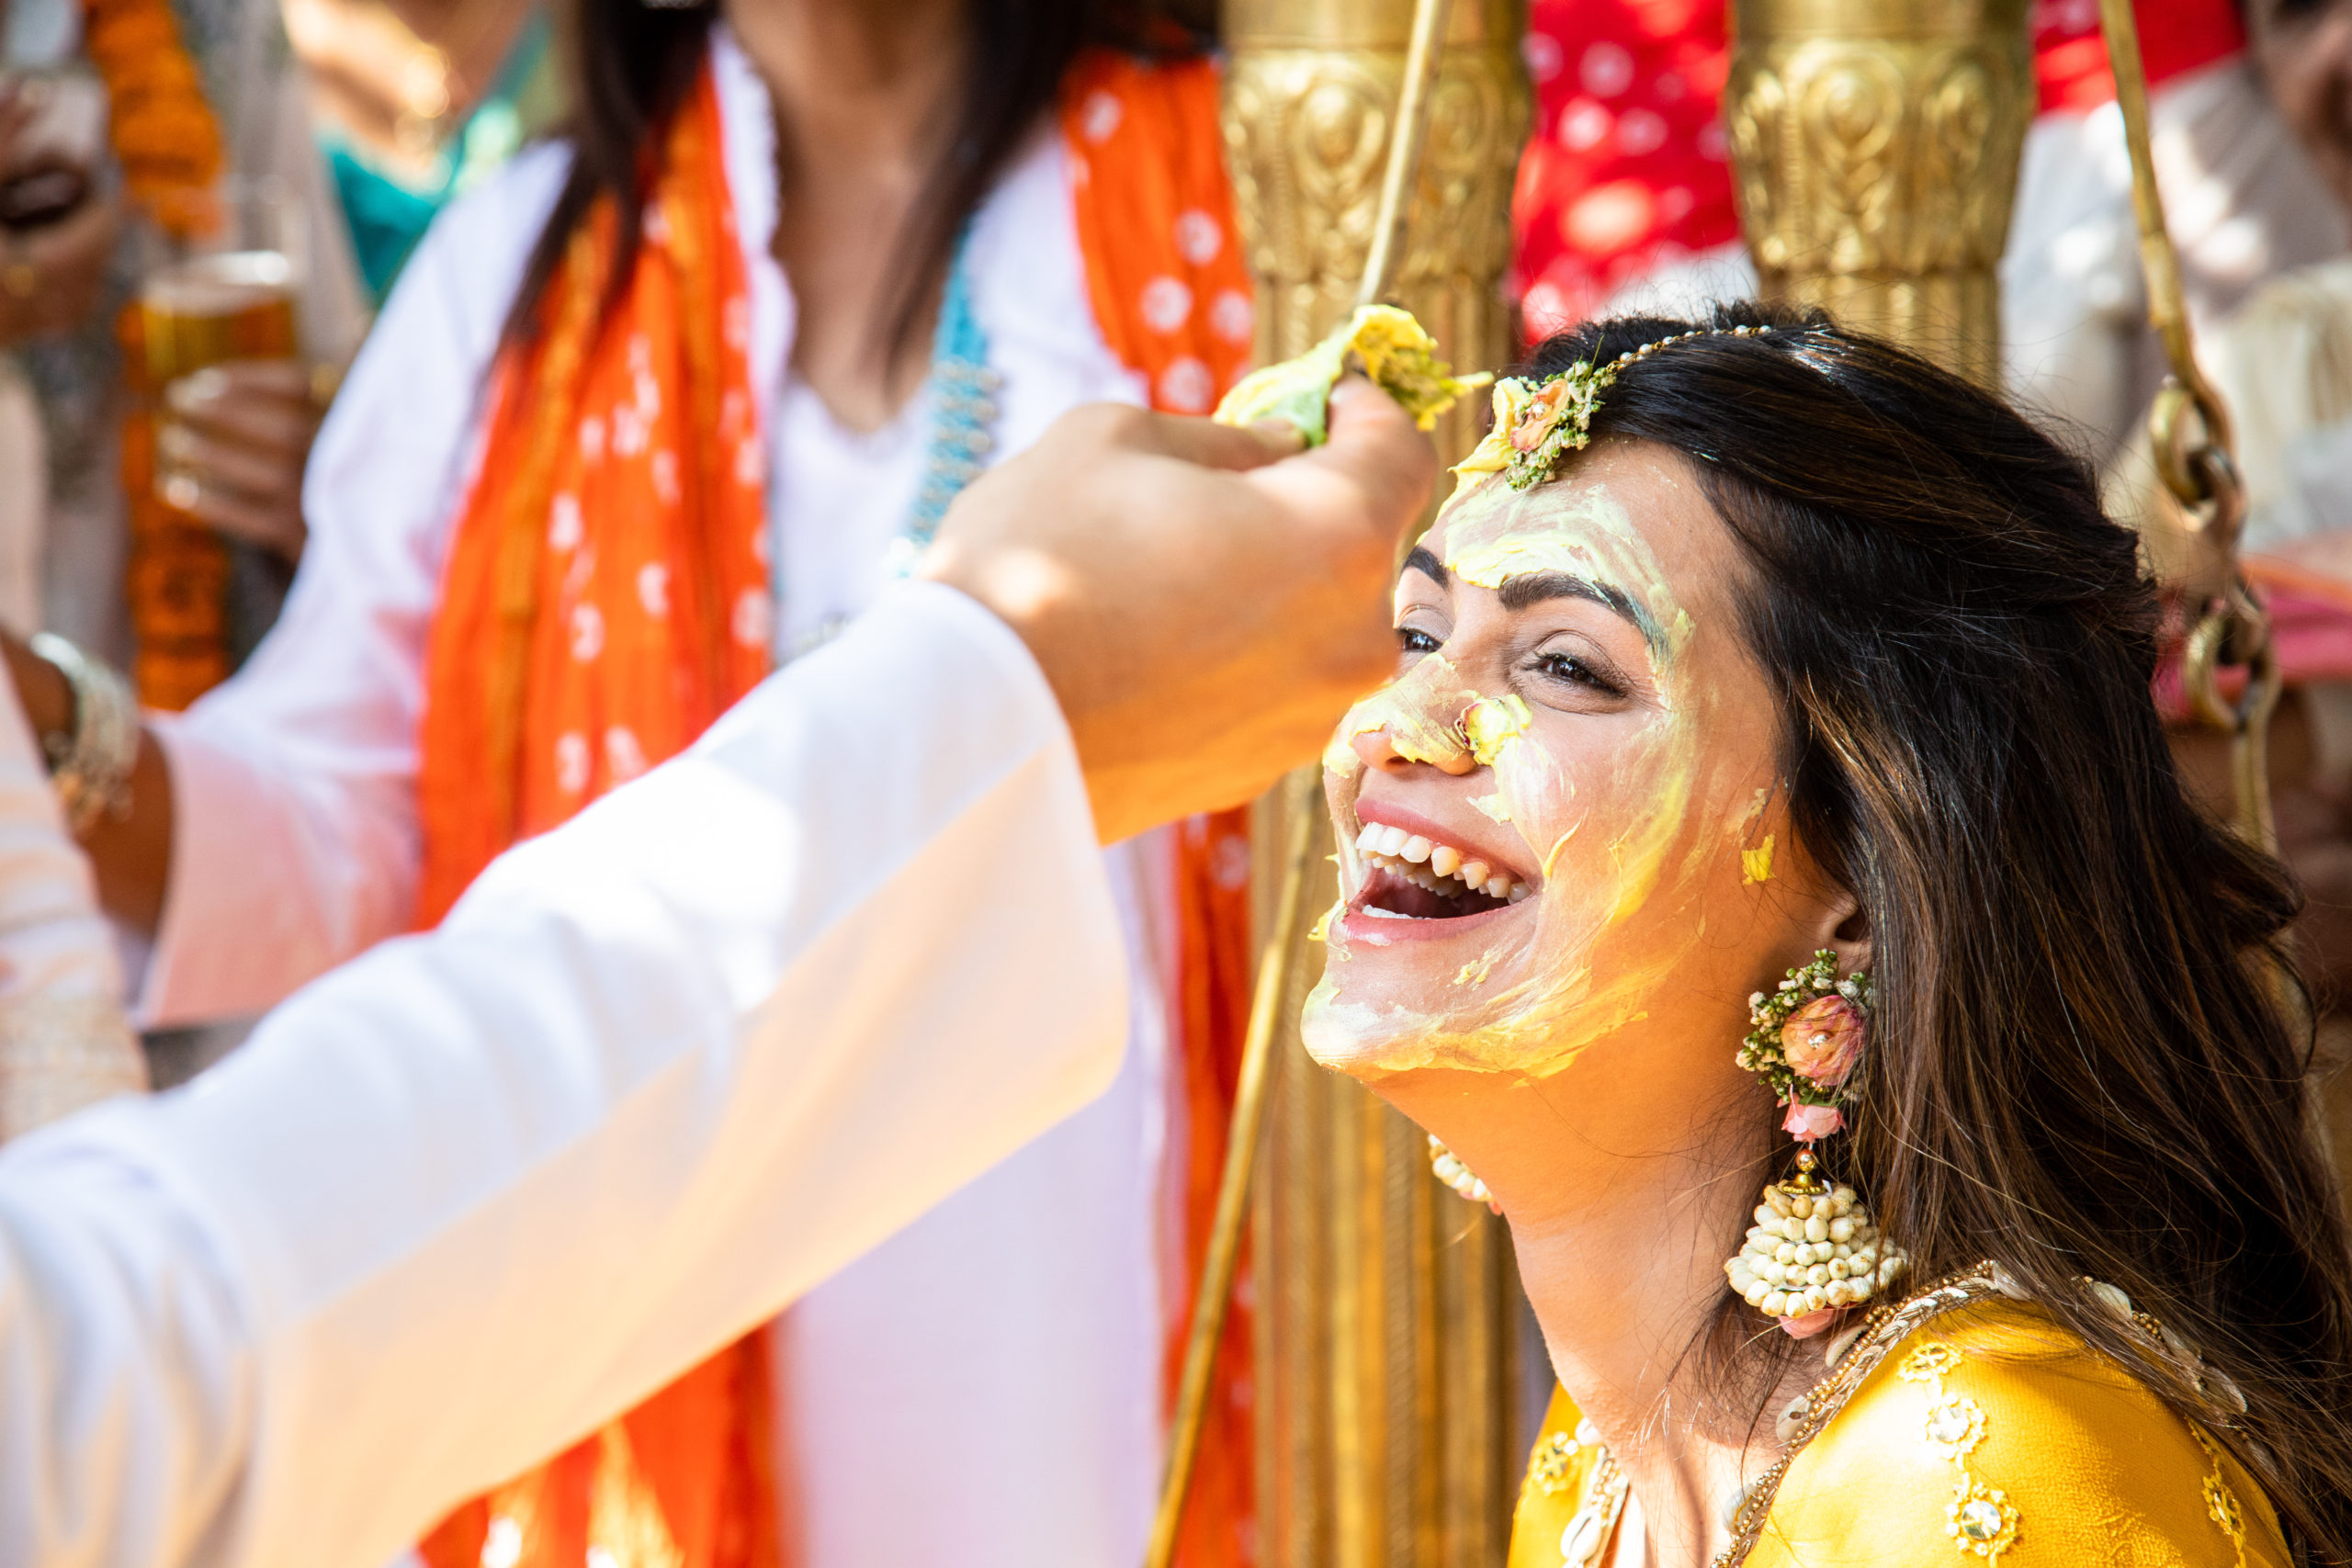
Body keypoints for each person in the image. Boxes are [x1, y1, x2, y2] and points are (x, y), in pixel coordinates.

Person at [2, 0, 1269, 1560]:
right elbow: (337, 823)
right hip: (662, 1341)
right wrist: (37, 722)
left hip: (1122, 1322)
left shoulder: (1254, 191)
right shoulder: (521, 271)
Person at [0, 378, 1437, 1568]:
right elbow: (113, 1381)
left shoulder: (1192, 200)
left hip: (1091, 1288)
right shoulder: (535, 263)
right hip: (650, 1332)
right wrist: (1004, 709)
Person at [1306, 307, 2352, 1566]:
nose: (1398, 723)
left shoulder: (1981, 1464)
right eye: (1419, 636)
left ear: (1855, 884)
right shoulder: (1609, 1461)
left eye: (1567, 666)